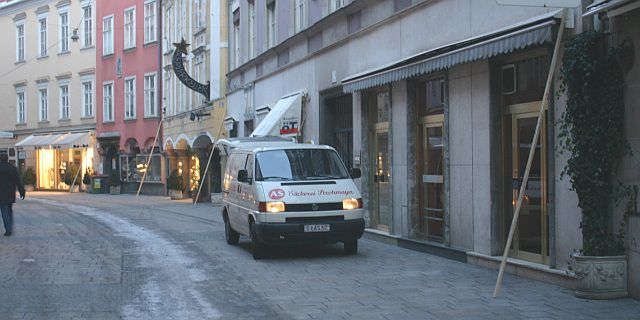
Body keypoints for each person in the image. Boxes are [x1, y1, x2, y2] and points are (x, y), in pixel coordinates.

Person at [0, 153, 25, 236]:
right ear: (7, 159)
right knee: (9, 210)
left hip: (1, 193)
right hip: (10, 193)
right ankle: (9, 227)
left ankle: (8, 229)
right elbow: (18, 181)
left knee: (4, 211)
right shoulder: (13, 169)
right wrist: (22, 191)